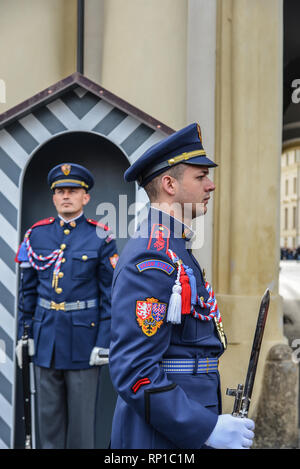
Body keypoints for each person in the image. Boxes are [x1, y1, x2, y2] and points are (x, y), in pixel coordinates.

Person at [109, 123, 255, 449]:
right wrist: (204, 427)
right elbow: (134, 370)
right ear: (170, 184)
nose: (211, 185)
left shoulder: (174, 247)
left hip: (183, 414)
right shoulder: (153, 255)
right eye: (201, 177)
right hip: (163, 432)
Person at [15, 163, 118, 449]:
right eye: (60, 191)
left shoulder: (101, 236)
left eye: (73, 190)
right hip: (46, 338)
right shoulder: (36, 235)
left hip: (85, 341)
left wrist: (104, 341)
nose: (66, 196)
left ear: (86, 197)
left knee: (82, 429)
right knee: (48, 425)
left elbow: (109, 293)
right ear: (53, 197)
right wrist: (27, 336)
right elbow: (28, 292)